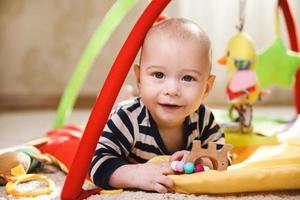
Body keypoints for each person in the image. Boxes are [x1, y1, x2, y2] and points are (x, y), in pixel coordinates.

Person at [89, 18, 226, 193]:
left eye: (187, 78)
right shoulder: (126, 120)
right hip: (123, 112)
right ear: (139, 79)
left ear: (206, 87)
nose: (172, 90)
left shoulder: (203, 118)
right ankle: (122, 97)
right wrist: (135, 173)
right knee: (111, 115)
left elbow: (223, 156)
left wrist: (201, 160)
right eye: (159, 75)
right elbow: (96, 164)